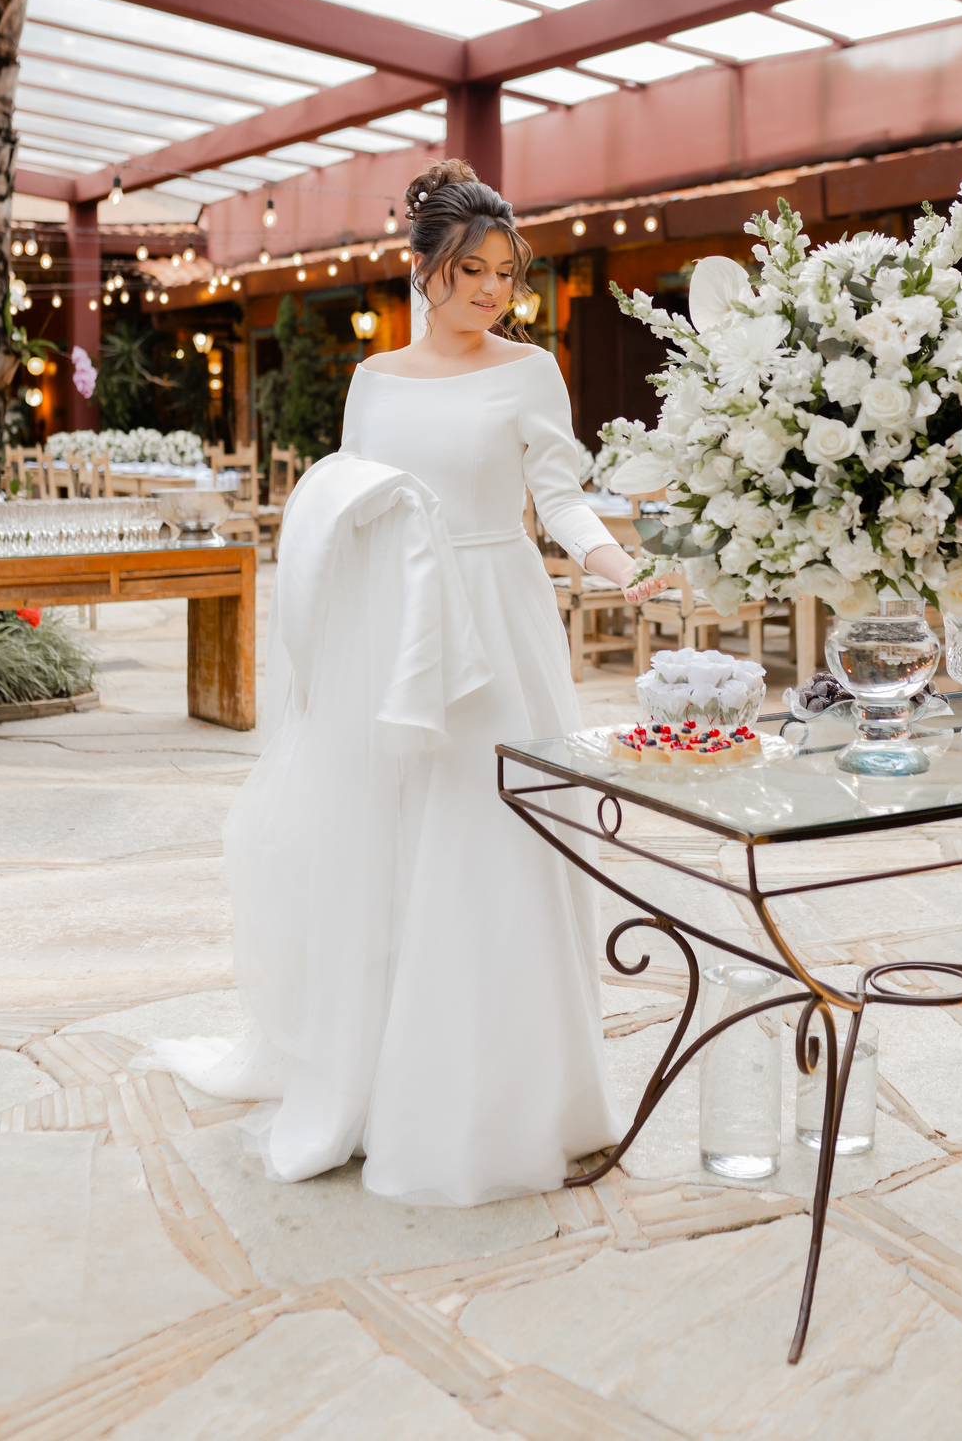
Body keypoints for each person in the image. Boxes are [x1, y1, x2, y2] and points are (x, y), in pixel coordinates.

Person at [147, 160, 665, 1206]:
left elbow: (561, 501)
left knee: (500, 835)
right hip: (398, 625)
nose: (492, 291)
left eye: (506, 273)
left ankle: (521, 1101)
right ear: (423, 267)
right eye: (471, 271)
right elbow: (350, 506)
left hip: (500, 619)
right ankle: (389, 1088)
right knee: (394, 841)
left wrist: (619, 565)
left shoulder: (531, 372)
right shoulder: (374, 381)